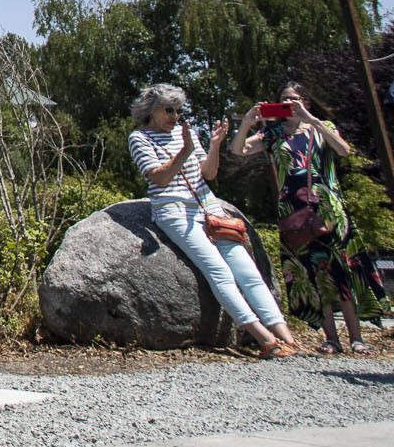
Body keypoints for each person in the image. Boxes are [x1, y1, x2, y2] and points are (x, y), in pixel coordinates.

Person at [128, 82, 297, 358]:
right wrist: (183, 150)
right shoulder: (140, 138)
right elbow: (158, 177)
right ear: (150, 110)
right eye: (168, 110)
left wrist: (214, 145)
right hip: (174, 210)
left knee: (249, 273)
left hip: (208, 208)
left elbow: (208, 173)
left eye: (178, 110)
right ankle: (263, 338)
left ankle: (285, 336)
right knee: (219, 272)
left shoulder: (188, 133)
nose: (175, 116)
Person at [232, 80, 372, 354]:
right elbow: (238, 151)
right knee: (312, 273)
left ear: (305, 101)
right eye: (284, 99)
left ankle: (357, 337)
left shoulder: (322, 129)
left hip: (328, 208)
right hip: (293, 211)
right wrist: (248, 122)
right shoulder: (273, 134)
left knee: (341, 271)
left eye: (295, 99)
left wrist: (312, 120)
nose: (290, 103)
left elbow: (344, 150)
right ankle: (331, 338)